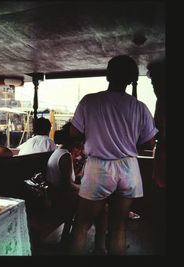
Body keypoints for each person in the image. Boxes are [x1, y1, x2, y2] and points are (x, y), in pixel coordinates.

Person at [68, 55, 158, 255]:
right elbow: (150, 142)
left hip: (98, 167)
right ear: (131, 80)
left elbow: (74, 133)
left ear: (108, 75)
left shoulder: (90, 101)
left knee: (82, 225)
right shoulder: (140, 107)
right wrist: (128, 140)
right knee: (119, 227)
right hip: (129, 168)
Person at [46, 122, 108, 254]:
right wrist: (84, 188)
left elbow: (69, 181)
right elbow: (68, 185)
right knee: (100, 206)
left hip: (57, 196)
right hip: (62, 200)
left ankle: (81, 238)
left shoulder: (59, 152)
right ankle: (98, 245)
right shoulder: (65, 156)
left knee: (96, 202)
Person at [147, 59, 166, 189]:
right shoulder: (160, 101)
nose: (154, 87)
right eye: (153, 84)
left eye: (157, 82)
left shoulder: (163, 101)